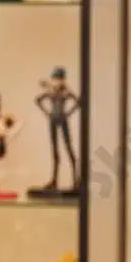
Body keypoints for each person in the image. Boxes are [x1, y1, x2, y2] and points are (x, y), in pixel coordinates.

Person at [31, 67, 80, 195]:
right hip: (53, 119)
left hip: (62, 119)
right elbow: (38, 100)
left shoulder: (65, 92)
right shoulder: (51, 92)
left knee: (68, 147)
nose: (57, 82)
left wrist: (67, 114)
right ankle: (54, 180)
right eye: (55, 79)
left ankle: (76, 180)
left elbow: (78, 101)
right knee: (55, 149)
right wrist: (47, 113)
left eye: (59, 79)